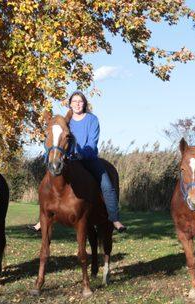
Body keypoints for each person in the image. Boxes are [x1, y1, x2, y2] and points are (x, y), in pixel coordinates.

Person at [34, 91, 126, 232]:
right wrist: (52, 154)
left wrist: (80, 154)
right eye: (74, 101)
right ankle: (42, 219)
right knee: (46, 184)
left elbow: (92, 142)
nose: (77, 104)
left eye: (80, 101)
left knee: (107, 185)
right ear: (70, 104)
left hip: (88, 158)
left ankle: (114, 218)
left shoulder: (92, 119)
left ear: (84, 103)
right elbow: (54, 138)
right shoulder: (66, 121)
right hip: (69, 160)